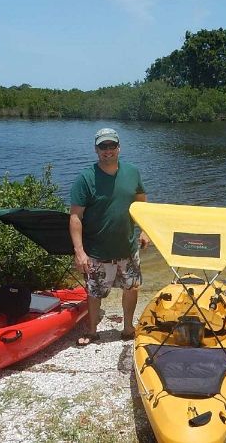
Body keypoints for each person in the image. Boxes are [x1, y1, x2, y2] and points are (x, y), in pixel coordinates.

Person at [69, 128, 150, 346]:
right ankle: (93, 331)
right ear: (96, 149)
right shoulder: (86, 178)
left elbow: (141, 201)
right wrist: (79, 252)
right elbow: (75, 217)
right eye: (103, 146)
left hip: (128, 248)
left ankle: (128, 327)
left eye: (111, 146)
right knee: (94, 292)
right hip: (97, 252)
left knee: (131, 287)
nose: (107, 151)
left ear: (119, 148)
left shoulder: (132, 172)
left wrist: (144, 230)